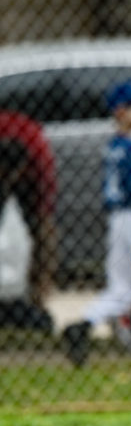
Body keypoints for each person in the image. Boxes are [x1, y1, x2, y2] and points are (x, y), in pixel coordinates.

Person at [60, 81, 131, 366]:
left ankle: (83, 325)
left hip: (118, 220)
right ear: (120, 111)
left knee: (122, 287)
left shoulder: (113, 146)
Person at [0, 110, 57, 335]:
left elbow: (45, 206)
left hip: (32, 182)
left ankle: (37, 298)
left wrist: (41, 220)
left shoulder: (36, 154)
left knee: (44, 234)